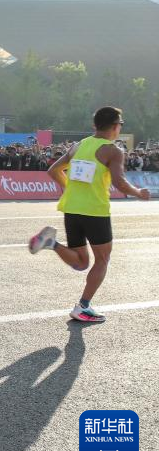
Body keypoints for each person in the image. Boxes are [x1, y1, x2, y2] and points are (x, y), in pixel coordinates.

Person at [29, 106, 150, 322]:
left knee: (82, 263)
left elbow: (53, 171)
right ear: (115, 126)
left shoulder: (78, 146)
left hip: (71, 209)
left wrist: (71, 189)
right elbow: (120, 183)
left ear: (95, 125)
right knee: (102, 259)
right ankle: (83, 306)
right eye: (120, 125)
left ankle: (51, 243)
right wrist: (138, 192)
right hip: (94, 211)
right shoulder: (112, 151)